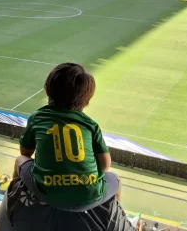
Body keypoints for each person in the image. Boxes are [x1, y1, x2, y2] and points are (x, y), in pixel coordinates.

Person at [18, 62, 115, 211]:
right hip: (89, 196)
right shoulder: (90, 124)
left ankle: (14, 202)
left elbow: (25, 153)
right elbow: (106, 164)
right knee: (116, 180)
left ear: (47, 89)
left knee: (19, 160)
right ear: (87, 98)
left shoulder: (37, 118)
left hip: (47, 193)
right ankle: (112, 217)